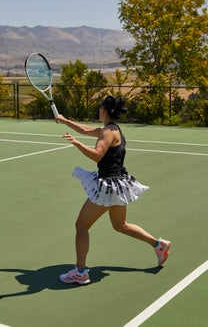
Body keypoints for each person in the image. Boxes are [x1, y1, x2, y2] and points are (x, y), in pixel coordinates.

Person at [57, 95, 171, 285]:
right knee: (121, 225)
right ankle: (159, 245)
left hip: (108, 187)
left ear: (103, 110)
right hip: (119, 184)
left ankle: (80, 272)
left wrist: (77, 144)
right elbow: (85, 129)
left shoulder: (107, 133)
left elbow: (97, 156)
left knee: (81, 226)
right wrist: (64, 120)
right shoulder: (111, 130)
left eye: (100, 108)